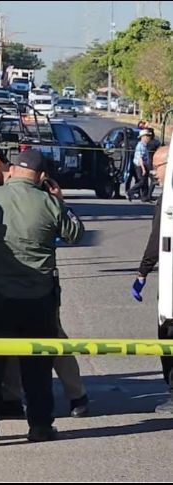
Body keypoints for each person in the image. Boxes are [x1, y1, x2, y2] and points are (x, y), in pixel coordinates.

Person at [0, 150, 85, 442]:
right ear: (41, 176)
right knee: (38, 365)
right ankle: (40, 425)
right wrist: (60, 200)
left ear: (12, 171)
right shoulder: (49, 203)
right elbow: (75, 233)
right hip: (40, 298)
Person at [130, 145, 173, 412]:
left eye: (157, 167)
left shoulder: (168, 199)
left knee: (168, 332)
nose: (154, 173)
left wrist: (142, 272)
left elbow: (159, 239)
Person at [128, 129, 154, 203]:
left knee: (145, 182)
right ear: (143, 137)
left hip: (144, 165)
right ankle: (131, 191)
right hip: (139, 165)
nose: (149, 137)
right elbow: (140, 158)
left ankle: (145, 197)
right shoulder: (140, 145)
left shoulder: (145, 145)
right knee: (142, 181)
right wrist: (143, 169)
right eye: (147, 136)